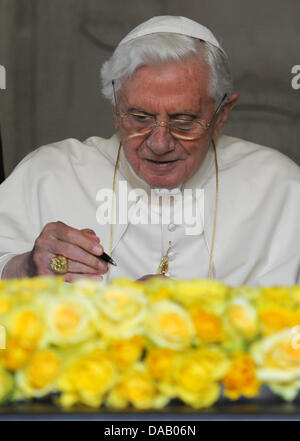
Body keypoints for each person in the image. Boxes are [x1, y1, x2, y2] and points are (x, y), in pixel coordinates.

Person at [0, 16, 299, 286]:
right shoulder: (49, 175)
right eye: (140, 118)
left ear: (221, 115)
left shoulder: (282, 188)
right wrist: (24, 268)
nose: (159, 144)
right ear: (116, 110)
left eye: (183, 121)